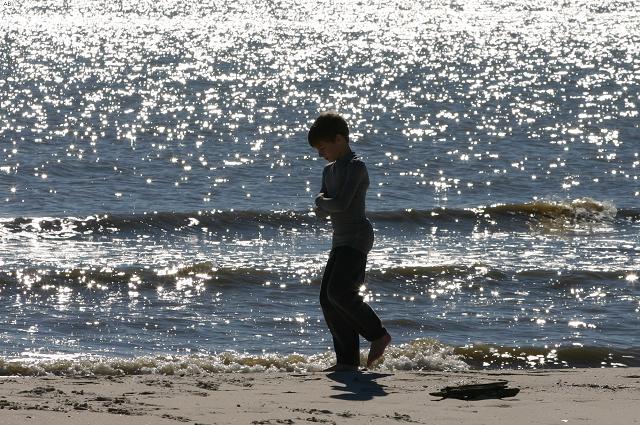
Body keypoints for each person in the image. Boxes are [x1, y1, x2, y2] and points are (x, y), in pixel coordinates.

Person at [308, 111, 391, 372]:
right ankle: (347, 361)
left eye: (323, 148)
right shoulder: (328, 171)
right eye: (317, 150)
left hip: (357, 236)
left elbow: (340, 204)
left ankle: (378, 335)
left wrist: (322, 201)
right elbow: (323, 209)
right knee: (327, 298)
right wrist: (324, 203)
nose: (321, 154)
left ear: (339, 139)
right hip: (339, 238)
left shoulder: (356, 166)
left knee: (339, 293)